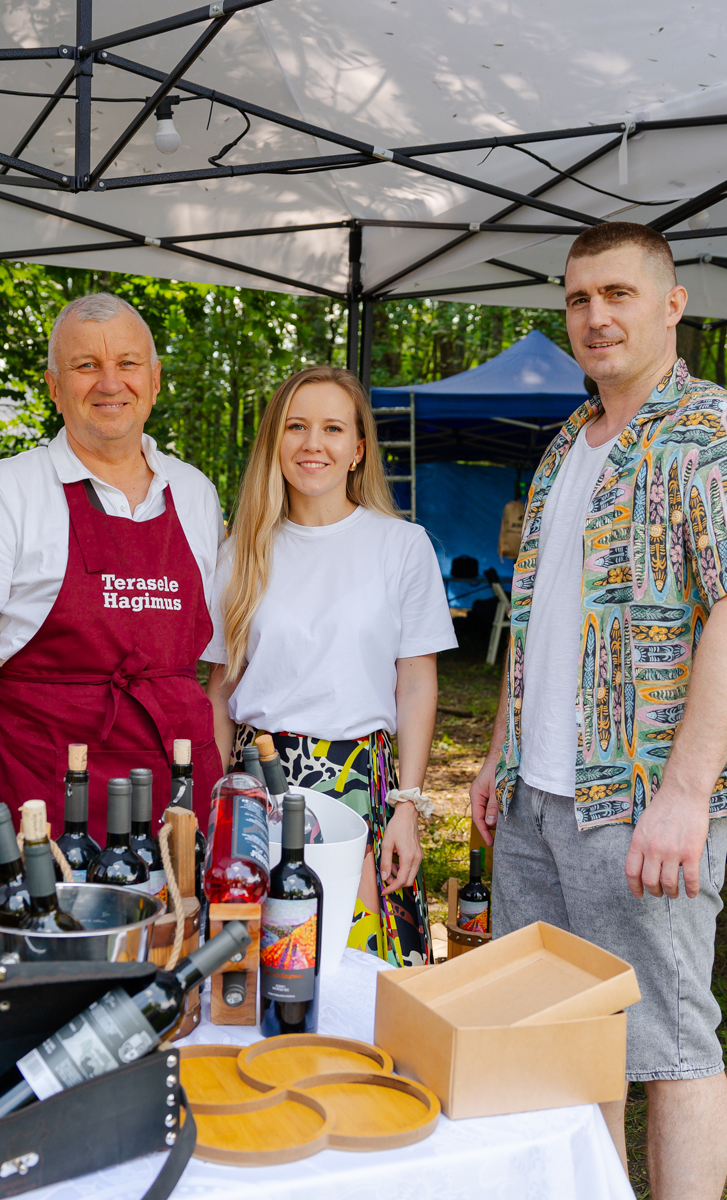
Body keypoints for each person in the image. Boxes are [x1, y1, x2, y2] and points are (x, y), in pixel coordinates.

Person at [467, 222, 727, 1198]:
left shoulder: (722, 434)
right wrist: (498, 755)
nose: (595, 316)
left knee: (669, 1043)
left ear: (671, 303)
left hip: (641, 800)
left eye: (617, 293)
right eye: (578, 299)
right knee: (571, 1041)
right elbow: (532, 621)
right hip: (538, 799)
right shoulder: (566, 445)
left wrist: (686, 795)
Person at [0, 293, 225, 857]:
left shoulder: (196, 493)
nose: (111, 383)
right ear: (54, 386)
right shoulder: (3, 492)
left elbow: (218, 661)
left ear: (155, 381)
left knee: (185, 940)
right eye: (86, 366)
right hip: (44, 785)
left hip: (179, 784)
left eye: (128, 364)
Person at [205, 366, 455, 966]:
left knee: (366, 963)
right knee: (267, 964)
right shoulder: (241, 551)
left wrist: (407, 806)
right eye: (296, 426)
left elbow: (417, 683)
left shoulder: (402, 545)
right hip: (260, 778)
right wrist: (218, 801)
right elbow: (220, 689)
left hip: (360, 777)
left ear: (358, 450)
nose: (312, 443)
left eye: (332, 428)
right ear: (275, 442)